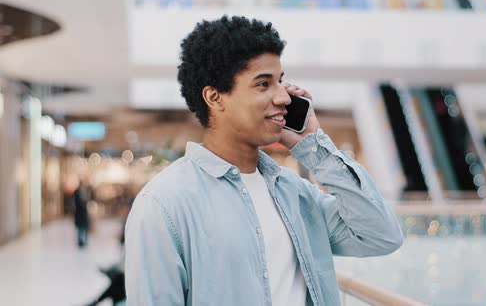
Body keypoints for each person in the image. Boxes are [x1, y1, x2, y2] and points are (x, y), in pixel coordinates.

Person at [124, 15, 404, 306]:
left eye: (280, 82)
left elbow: (382, 236)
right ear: (215, 97)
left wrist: (314, 147)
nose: (283, 97)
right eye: (263, 84)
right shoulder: (164, 204)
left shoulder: (295, 194)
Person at [73, 178, 91, 248]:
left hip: (84, 213)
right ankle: (80, 241)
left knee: (85, 227)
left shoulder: (86, 191)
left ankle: (85, 240)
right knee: (80, 228)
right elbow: (76, 202)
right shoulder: (77, 192)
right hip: (79, 213)